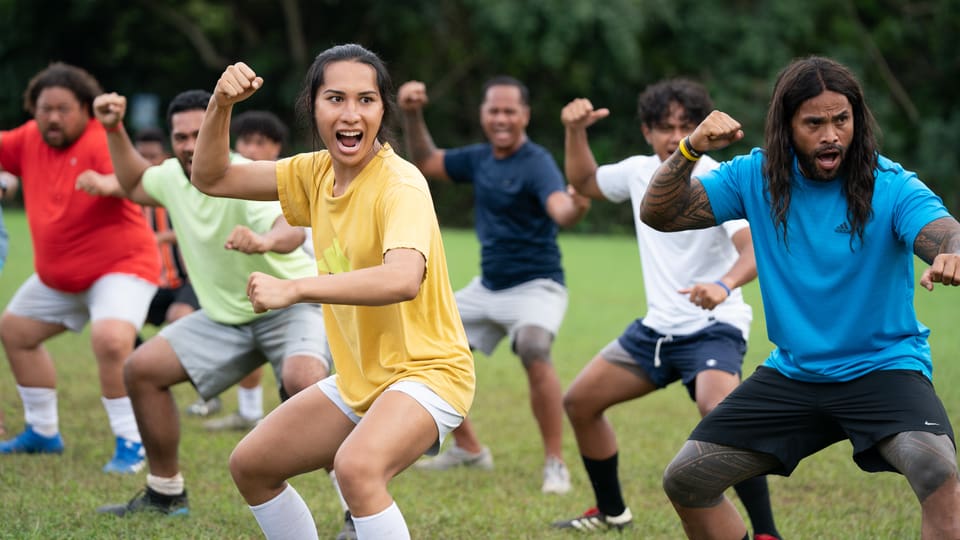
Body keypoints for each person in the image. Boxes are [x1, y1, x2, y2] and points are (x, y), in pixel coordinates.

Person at [640, 56, 960, 538]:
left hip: (883, 368)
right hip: (795, 373)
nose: (831, 135)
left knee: (938, 470)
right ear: (786, 127)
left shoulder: (890, 184)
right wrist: (689, 148)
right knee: (686, 479)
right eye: (814, 123)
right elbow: (659, 213)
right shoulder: (755, 176)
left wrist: (953, 253)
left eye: (841, 120)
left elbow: (943, 231)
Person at [189, 43, 475, 540]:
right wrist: (220, 106)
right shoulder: (314, 173)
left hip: (430, 373)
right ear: (313, 106)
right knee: (251, 465)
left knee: (357, 470)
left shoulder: (400, 185)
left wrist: (296, 288)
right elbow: (211, 176)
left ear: (383, 109)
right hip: (359, 379)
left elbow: (403, 278)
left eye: (366, 100)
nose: (351, 114)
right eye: (335, 98)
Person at [83, 89, 332, 518]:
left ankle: (355, 510)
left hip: (289, 304)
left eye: (199, 134)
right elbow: (133, 183)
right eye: (180, 136)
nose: (188, 144)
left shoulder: (242, 175)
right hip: (224, 318)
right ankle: (165, 494)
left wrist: (264, 241)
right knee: (141, 370)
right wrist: (113, 129)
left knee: (306, 381)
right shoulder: (169, 176)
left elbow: (288, 229)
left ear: (219, 134)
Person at [551, 81, 781, 539]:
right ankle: (612, 512)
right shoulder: (639, 172)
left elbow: (752, 248)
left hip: (714, 326)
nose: (674, 135)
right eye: (664, 127)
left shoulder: (718, 176)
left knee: (719, 412)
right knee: (579, 402)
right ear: (646, 131)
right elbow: (583, 182)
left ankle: (767, 531)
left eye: (685, 126)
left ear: (702, 130)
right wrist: (575, 132)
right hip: (658, 330)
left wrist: (723, 283)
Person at [397, 76, 590, 494]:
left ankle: (555, 462)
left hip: (537, 287)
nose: (501, 118)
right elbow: (428, 161)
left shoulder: (536, 162)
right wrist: (412, 113)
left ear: (525, 115)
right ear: (483, 115)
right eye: (494, 111)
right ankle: (469, 449)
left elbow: (560, 210)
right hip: (487, 288)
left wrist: (575, 206)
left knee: (534, 347)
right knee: (421, 345)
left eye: (509, 111)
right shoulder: (481, 158)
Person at [0, 62, 160, 474]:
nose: (52, 117)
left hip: (121, 266)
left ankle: (131, 442)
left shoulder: (102, 139)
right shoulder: (28, 139)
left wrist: (111, 182)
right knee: (16, 331)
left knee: (110, 340)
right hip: (61, 276)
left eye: (63, 109)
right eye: (44, 108)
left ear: (86, 109)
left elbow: (136, 180)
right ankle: (43, 432)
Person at [199, 109, 293, 432]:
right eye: (245, 142)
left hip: (306, 286)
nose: (251, 150)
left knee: (302, 372)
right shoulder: (234, 183)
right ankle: (250, 412)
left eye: (260, 143)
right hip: (258, 285)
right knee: (251, 336)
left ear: (276, 148)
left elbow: (292, 234)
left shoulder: (290, 179)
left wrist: (266, 240)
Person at [132, 128, 201, 346]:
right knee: (120, 321)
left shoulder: (183, 190)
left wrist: (161, 237)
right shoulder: (130, 195)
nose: (146, 163)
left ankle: (188, 367)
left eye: (152, 157)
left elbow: (198, 230)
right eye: (141, 157)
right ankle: (146, 369)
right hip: (149, 281)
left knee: (178, 316)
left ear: (165, 157)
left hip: (185, 281)